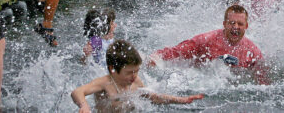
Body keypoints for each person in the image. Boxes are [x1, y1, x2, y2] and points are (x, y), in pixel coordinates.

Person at [71, 40, 205, 112]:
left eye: (136, 71)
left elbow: (153, 97)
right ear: (112, 69)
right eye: (129, 72)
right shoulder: (105, 83)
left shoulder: (136, 82)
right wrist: (84, 106)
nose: (134, 76)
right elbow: (77, 91)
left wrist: (182, 100)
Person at [149, 5, 269, 84]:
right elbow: (175, 52)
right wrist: (155, 58)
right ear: (224, 24)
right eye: (232, 23)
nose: (235, 27)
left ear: (246, 26)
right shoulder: (206, 40)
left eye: (240, 24)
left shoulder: (253, 51)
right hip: (200, 81)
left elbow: (263, 83)